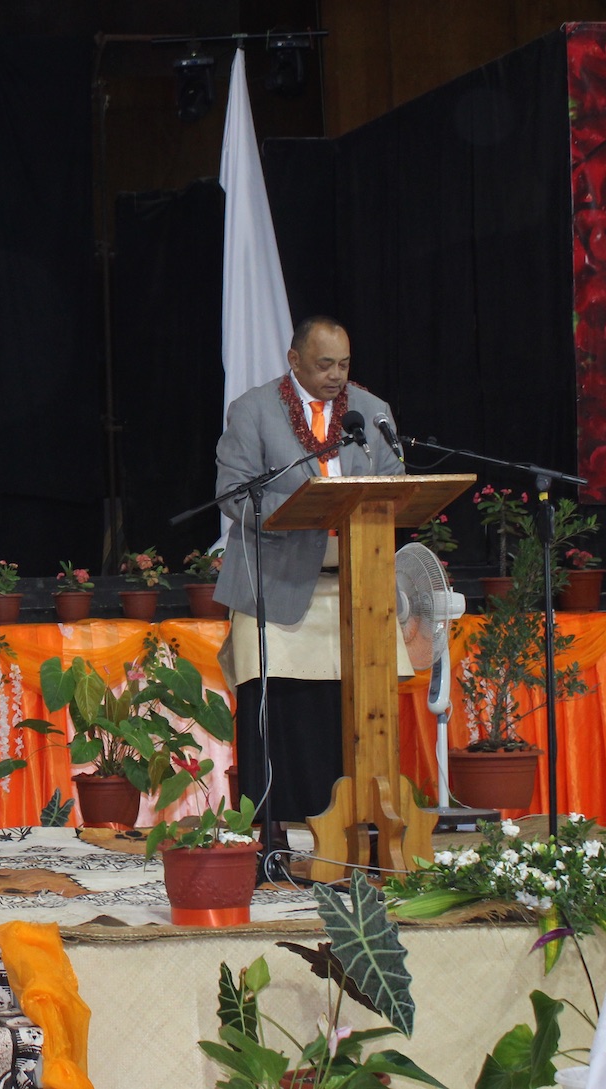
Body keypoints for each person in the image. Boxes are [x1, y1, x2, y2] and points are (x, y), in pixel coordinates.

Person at [213, 316, 406, 856]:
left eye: (344, 365)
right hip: (275, 582)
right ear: (295, 360)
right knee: (274, 714)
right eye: (324, 364)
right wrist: (306, 508)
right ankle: (272, 838)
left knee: (353, 714)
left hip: (357, 584)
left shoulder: (372, 412)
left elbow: (394, 481)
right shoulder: (252, 411)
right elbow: (233, 494)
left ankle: (361, 832)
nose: (336, 376)